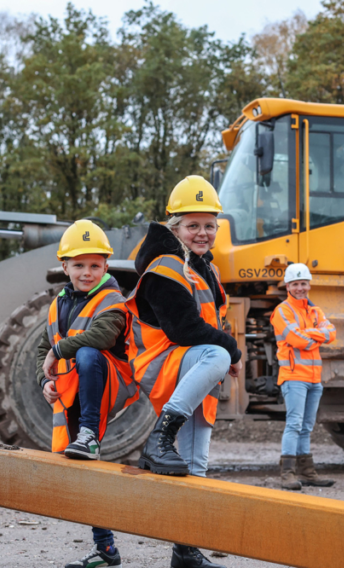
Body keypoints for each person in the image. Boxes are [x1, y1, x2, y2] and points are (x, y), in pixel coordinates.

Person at [125, 175, 242, 568]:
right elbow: (184, 329)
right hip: (166, 363)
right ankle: (160, 437)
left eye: (210, 225)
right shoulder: (166, 266)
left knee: (194, 469)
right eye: (193, 225)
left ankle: (185, 551)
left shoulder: (202, 267)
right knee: (219, 355)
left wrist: (223, 350)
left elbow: (209, 324)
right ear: (174, 227)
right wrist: (232, 351)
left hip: (190, 369)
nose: (203, 233)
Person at [36, 219, 138, 568]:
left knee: (87, 351)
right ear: (64, 267)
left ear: (106, 267)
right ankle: (105, 549)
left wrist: (58, 351)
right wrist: (44, 381)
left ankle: (90, 434)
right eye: (79, 265)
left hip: (108, 383)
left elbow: (102, 337)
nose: (87, 272)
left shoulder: (113, 299)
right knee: (85, 472)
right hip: (73, 394)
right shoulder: (57, 305)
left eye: (95, 265)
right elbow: (41, 350)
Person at [270, 263, 337, 490]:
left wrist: (308, 334)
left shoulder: (315, 311)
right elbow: (298, 340)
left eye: (304, 283)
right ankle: (287, 473)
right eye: (295, 284)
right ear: (288, 286)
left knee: (306, 426)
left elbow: (332, 333)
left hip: (314, 379)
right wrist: (316, 336)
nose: (300, 288)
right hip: (294, 377)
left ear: (309, 285)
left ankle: (307, 472)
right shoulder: (282, 311)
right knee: (294, 424)